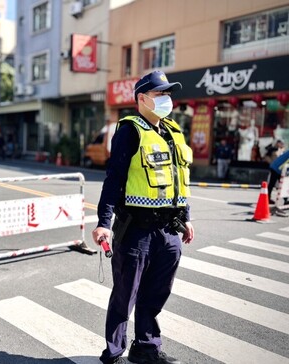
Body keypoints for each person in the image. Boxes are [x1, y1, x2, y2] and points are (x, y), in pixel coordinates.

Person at [92, 70, 195, 364]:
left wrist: (186, 216)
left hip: (168, 231)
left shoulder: (173, 131)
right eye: (160, 94)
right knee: (126, 295)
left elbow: (180, 178)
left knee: (157, 293)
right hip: (136, 231)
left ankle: (146, 348)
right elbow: (114, 180)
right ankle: (113, 353)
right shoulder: (129, 130)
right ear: (142, 98)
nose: (167, 99)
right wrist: (104, 223)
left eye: (168, 94)